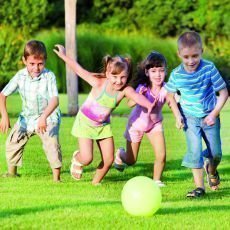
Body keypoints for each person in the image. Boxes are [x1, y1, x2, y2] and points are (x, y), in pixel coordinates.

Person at [54, 45, 156, 185]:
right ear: (108, 74)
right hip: (85, 123)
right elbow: (78, 69)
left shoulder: (124, 90)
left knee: (108, 160)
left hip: (103, 126)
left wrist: (149, 104)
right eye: (115, 76)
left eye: (123, 77)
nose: (118, 81)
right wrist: (63, 55)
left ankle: (95, 183)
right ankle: (77, 159)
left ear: (127, 76)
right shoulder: (98, 83)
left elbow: (136, 96)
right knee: (87, 158)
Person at [165, 31, 228, 198]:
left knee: (216, 154)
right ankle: (199, 188)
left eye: (195, 55)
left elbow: (223, 92)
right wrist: (178, 115)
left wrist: (214, 114)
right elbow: (169, 95)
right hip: (189, 117)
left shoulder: (209, 68)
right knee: (194, 149)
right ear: (179, 54)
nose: (191, 61)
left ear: (202, 51)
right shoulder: (176, 75)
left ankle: (211, 169)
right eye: (186, 57)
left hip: (209, 116)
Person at [114, 51, 184, 187]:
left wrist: (178, 117)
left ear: (165, 71)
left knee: (161, 155)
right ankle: (120, 154)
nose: (158, 75)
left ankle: (156, 180)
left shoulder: (166, 89)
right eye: (154, 71)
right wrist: (137, 97)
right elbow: (129, 103)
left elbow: (173, 102)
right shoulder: (143, 88)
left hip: (154, 125)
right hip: (136, 125)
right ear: (147, 72)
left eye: (161, 70)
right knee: (131, 160)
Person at [0, 40, 62, 182]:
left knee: (52, 143)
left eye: (40, 64)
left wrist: (44, 117)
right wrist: (4, 116)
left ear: (45, 61)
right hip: (27, 117)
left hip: (48, 116)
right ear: (24, 60)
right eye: (32, 64)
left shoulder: (49, 76)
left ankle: (56, 179)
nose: (36, 68)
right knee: (13, 141)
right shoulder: (20, 76)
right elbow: (3, 95)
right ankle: (12, 173)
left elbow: (55, 100)